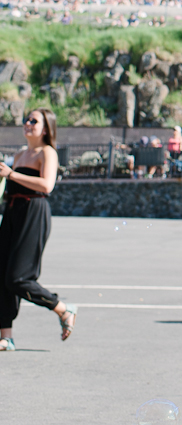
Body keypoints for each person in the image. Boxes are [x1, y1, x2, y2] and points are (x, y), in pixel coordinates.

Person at [0, 109, 78, 350]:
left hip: (33, 213)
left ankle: (63, 308)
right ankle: (6, 336)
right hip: (12, 212)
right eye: (27, 119)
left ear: (45, 129)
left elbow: (47, 184)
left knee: (18, 278)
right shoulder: (20, 153)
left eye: (34, 121)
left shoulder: (47, 152)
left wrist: (11, 173)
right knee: (1, 275)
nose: (28, 123)